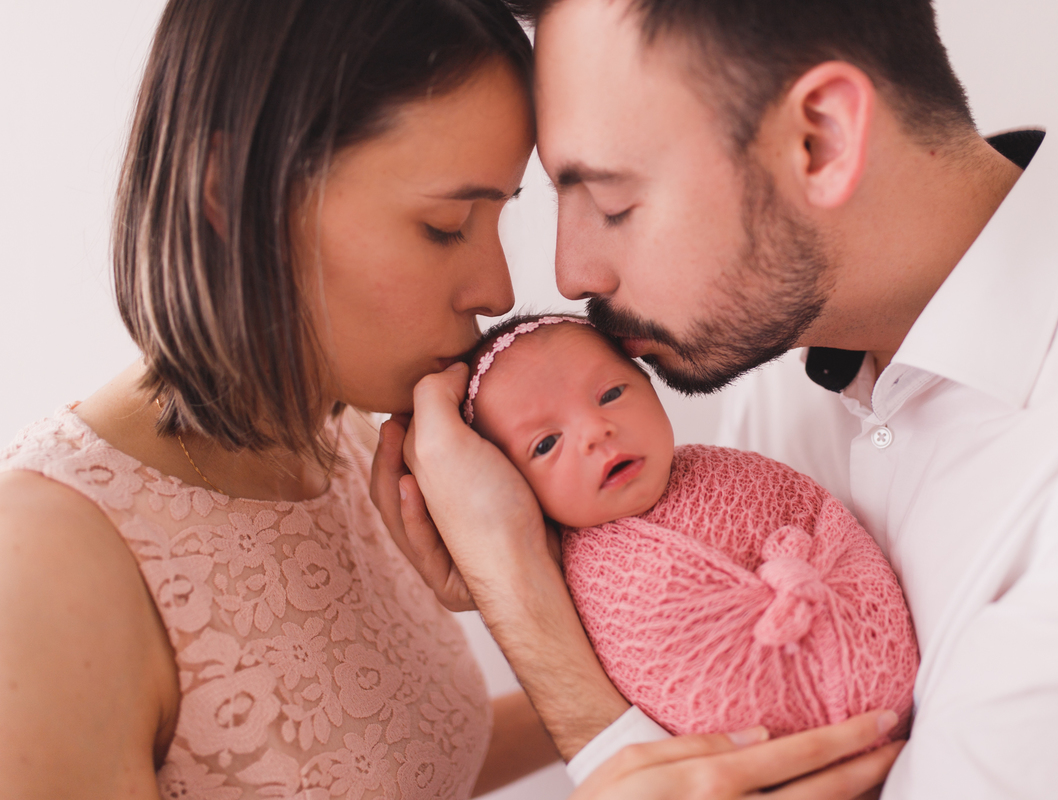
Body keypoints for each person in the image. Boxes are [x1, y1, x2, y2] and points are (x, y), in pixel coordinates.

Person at [0, 1, 909, 798]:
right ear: (229, 195)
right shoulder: (45, 567)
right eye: (444, 226)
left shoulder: (358, 447)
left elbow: (389, 761)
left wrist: (574, 639)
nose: (497, 286)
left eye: (499, 217)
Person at [379, 0, 1058, 797]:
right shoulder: (779, 366)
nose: (571, 274)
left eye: (615, 203)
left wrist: (530, 617)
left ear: (820, 140)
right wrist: (527, 562)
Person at [462, 313, 918, 740]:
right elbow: (653, 671)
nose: (595, 432)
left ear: (650, 385)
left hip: (892, 685)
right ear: (514, 484)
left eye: (610, 395)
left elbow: (822, 520)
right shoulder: (573, 585)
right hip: (758, 753)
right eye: (545, 443)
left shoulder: (730, 469)